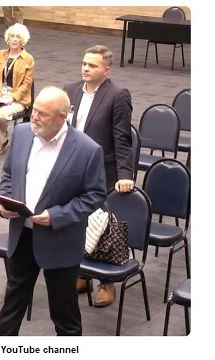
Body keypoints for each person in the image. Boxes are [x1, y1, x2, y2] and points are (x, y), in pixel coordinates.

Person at [0, 86, 106, 336]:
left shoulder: (88, 150)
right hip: (22, 235)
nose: (35, 117)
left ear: (61, 117)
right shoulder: (23, 133)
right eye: (34, 111)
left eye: (42, 114)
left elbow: (95, 196)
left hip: (60, 242)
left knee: (64, 314)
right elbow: (9, 174)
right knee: (12, 306)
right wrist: (6, 200)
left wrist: (56, 216)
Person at [63, 45, 134, 307]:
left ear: (106, 70)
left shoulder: (117, 95)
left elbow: (122, 139)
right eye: (83, 63)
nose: (85, 68)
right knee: (75, 221)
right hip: (71, 168)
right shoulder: (69, 90)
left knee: (103, 225)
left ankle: (107, 284)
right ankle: (82, 274)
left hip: (102, 170)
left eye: (91, 65)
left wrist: (125, 174)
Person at [0, 23, 34, 154]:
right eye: (12, 36)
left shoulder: (28, 59)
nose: (14, 39)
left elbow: (27, 84)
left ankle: (0, 140)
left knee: (0, 115)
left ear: (22, 40)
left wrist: (12, 96)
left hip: (18, 99)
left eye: (18, 37)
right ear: (7, 39)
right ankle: (0, 137)